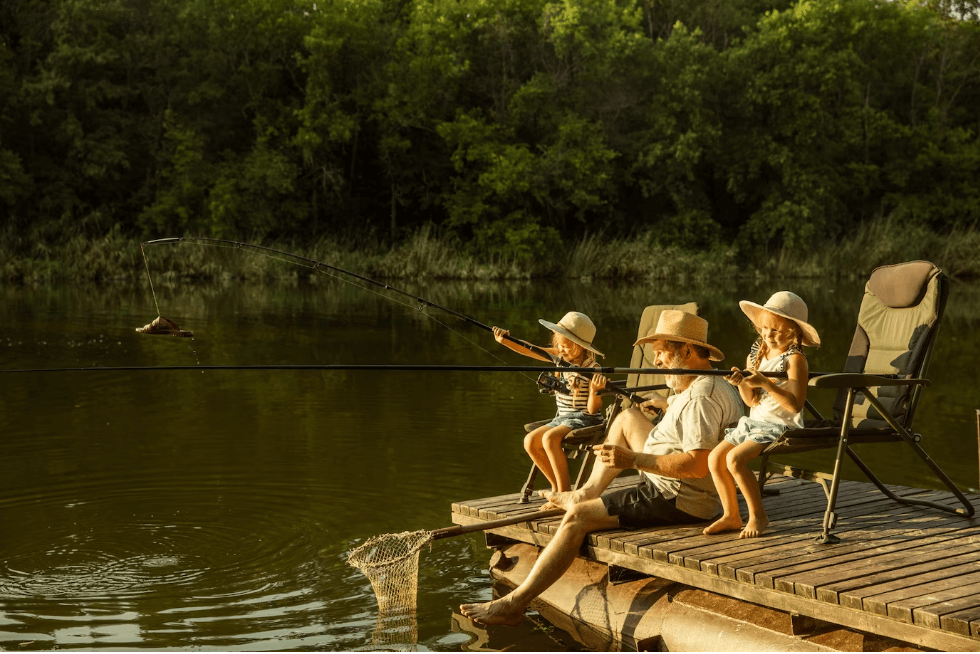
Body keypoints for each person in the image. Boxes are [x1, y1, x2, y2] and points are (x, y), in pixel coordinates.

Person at [461, 310, 742, 627]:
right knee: (626, 418)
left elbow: (696, 465)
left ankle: (513, 604)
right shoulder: (708, 383)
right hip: (675, 477)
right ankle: (584, 492)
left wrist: (632, 460)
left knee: (577, 518)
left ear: (687, 352)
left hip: (678, 495)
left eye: (662, 352)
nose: (658, 361)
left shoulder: (700, 398)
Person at [703, 291, 820, 539]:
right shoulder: (757, 354)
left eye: (776, 331)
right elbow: (751, 401)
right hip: (754, 423)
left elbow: (796, 405)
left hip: (780, 426)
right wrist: (742, 382)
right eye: (764, 328)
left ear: (793, 332)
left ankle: (758, 516)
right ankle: (731, 515)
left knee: (734, 460)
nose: (768, 335)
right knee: (715, 459)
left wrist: (767, 384)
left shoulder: (795, 360)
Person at [492, 311, 605, 495]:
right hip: (562, 419)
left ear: (580, 347)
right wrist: (506, 341)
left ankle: (564, 492)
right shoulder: (560, 358)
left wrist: (595, 390)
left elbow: (593, 410)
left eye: (566, 347)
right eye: (559, 346)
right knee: (530, 441)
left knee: (549, 439)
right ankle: (557, 488)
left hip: (585, 418)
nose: (561, 350)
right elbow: (530, 349)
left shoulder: (593, 368)